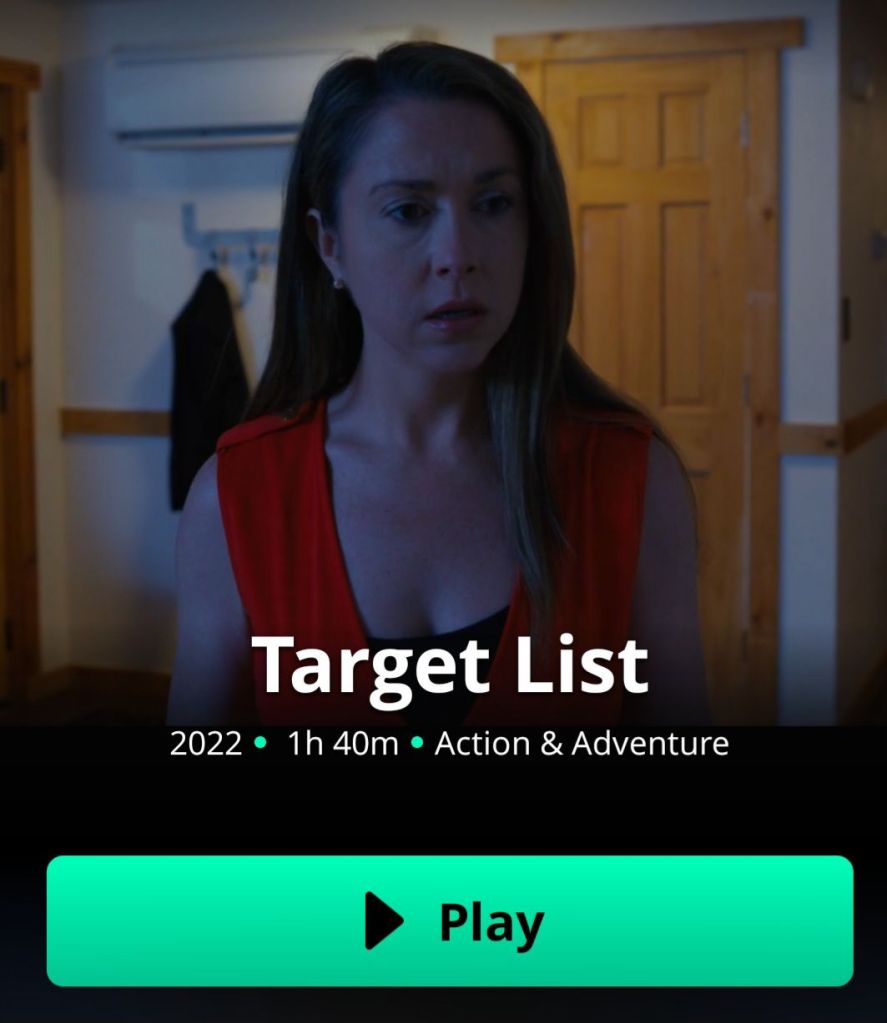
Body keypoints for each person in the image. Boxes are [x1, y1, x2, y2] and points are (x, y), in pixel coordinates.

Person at [167, 41, 709, 728]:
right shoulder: (238, 496)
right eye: (408, 211)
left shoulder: (629, 479)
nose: (457, 255)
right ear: (330, 244)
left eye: (493, 203)